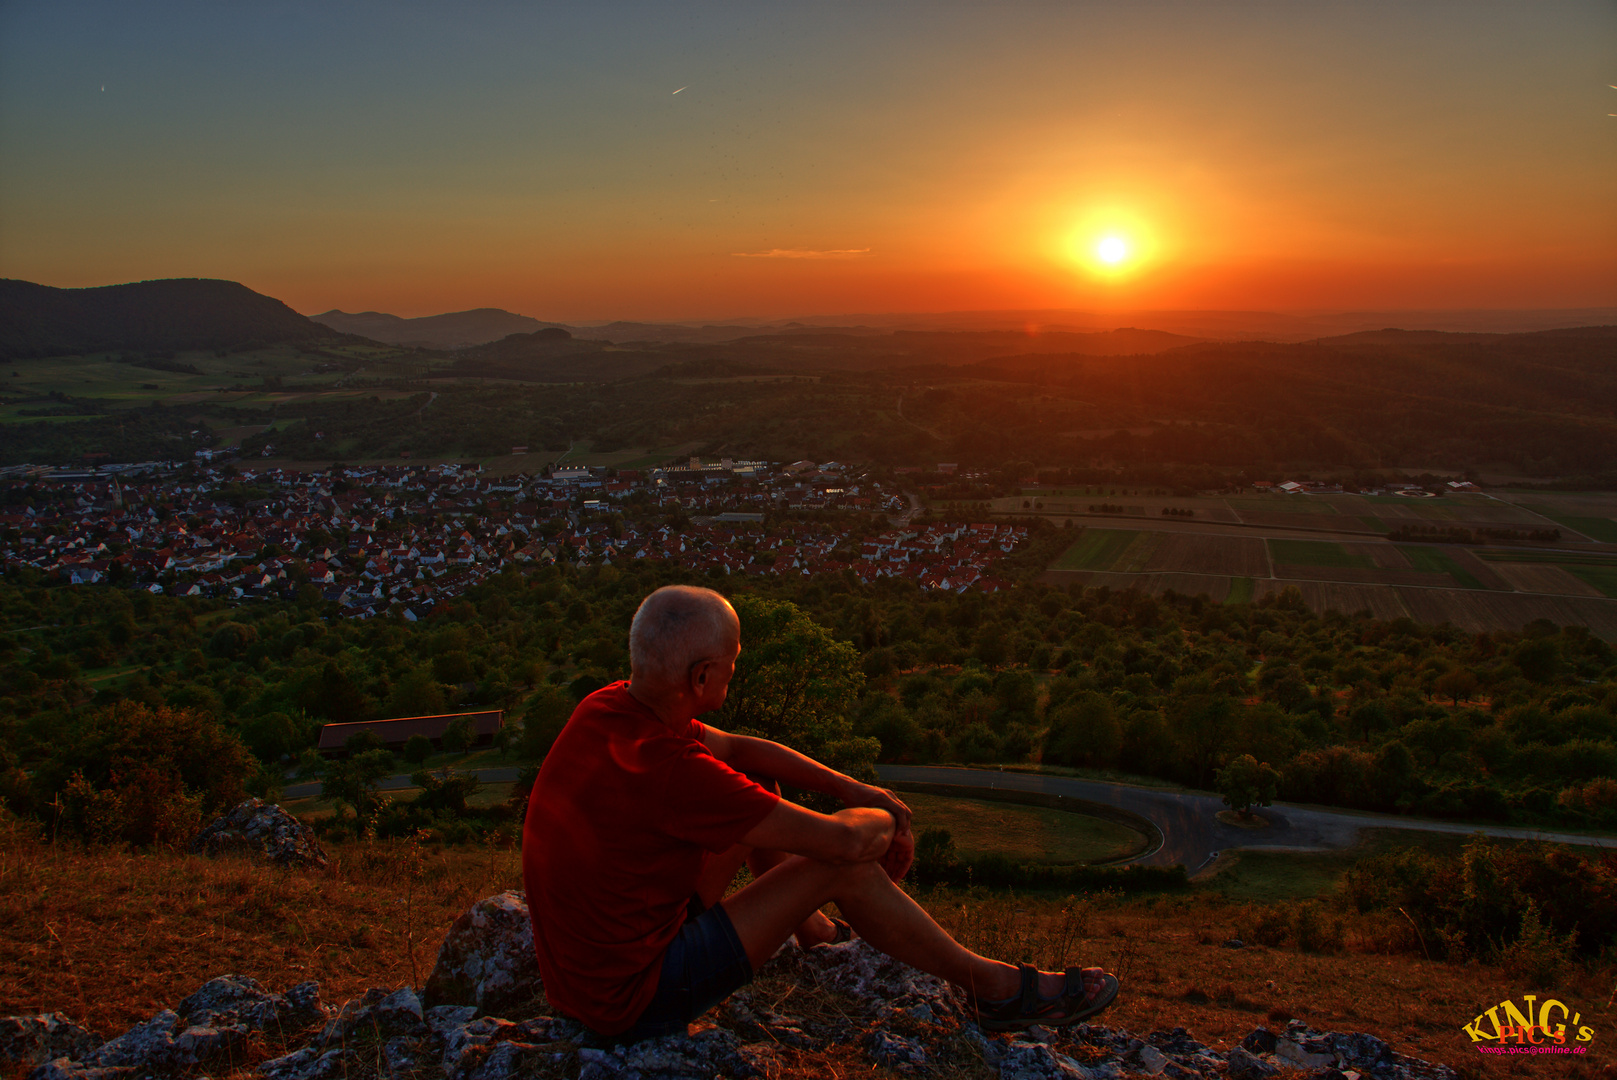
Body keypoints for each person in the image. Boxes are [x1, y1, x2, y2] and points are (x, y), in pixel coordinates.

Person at [521, 584, 1118, 1042]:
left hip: (585, 978)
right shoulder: (673, 772)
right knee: (845, 868)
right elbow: (842, 847)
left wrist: (855, 789)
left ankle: (818, 938)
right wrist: (889, 826)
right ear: (702, 676)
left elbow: (739, 749)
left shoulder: (611, 707)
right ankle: (992, 988)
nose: (735, 669)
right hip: (634, 1000)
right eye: (732, 662)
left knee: (756, 779)